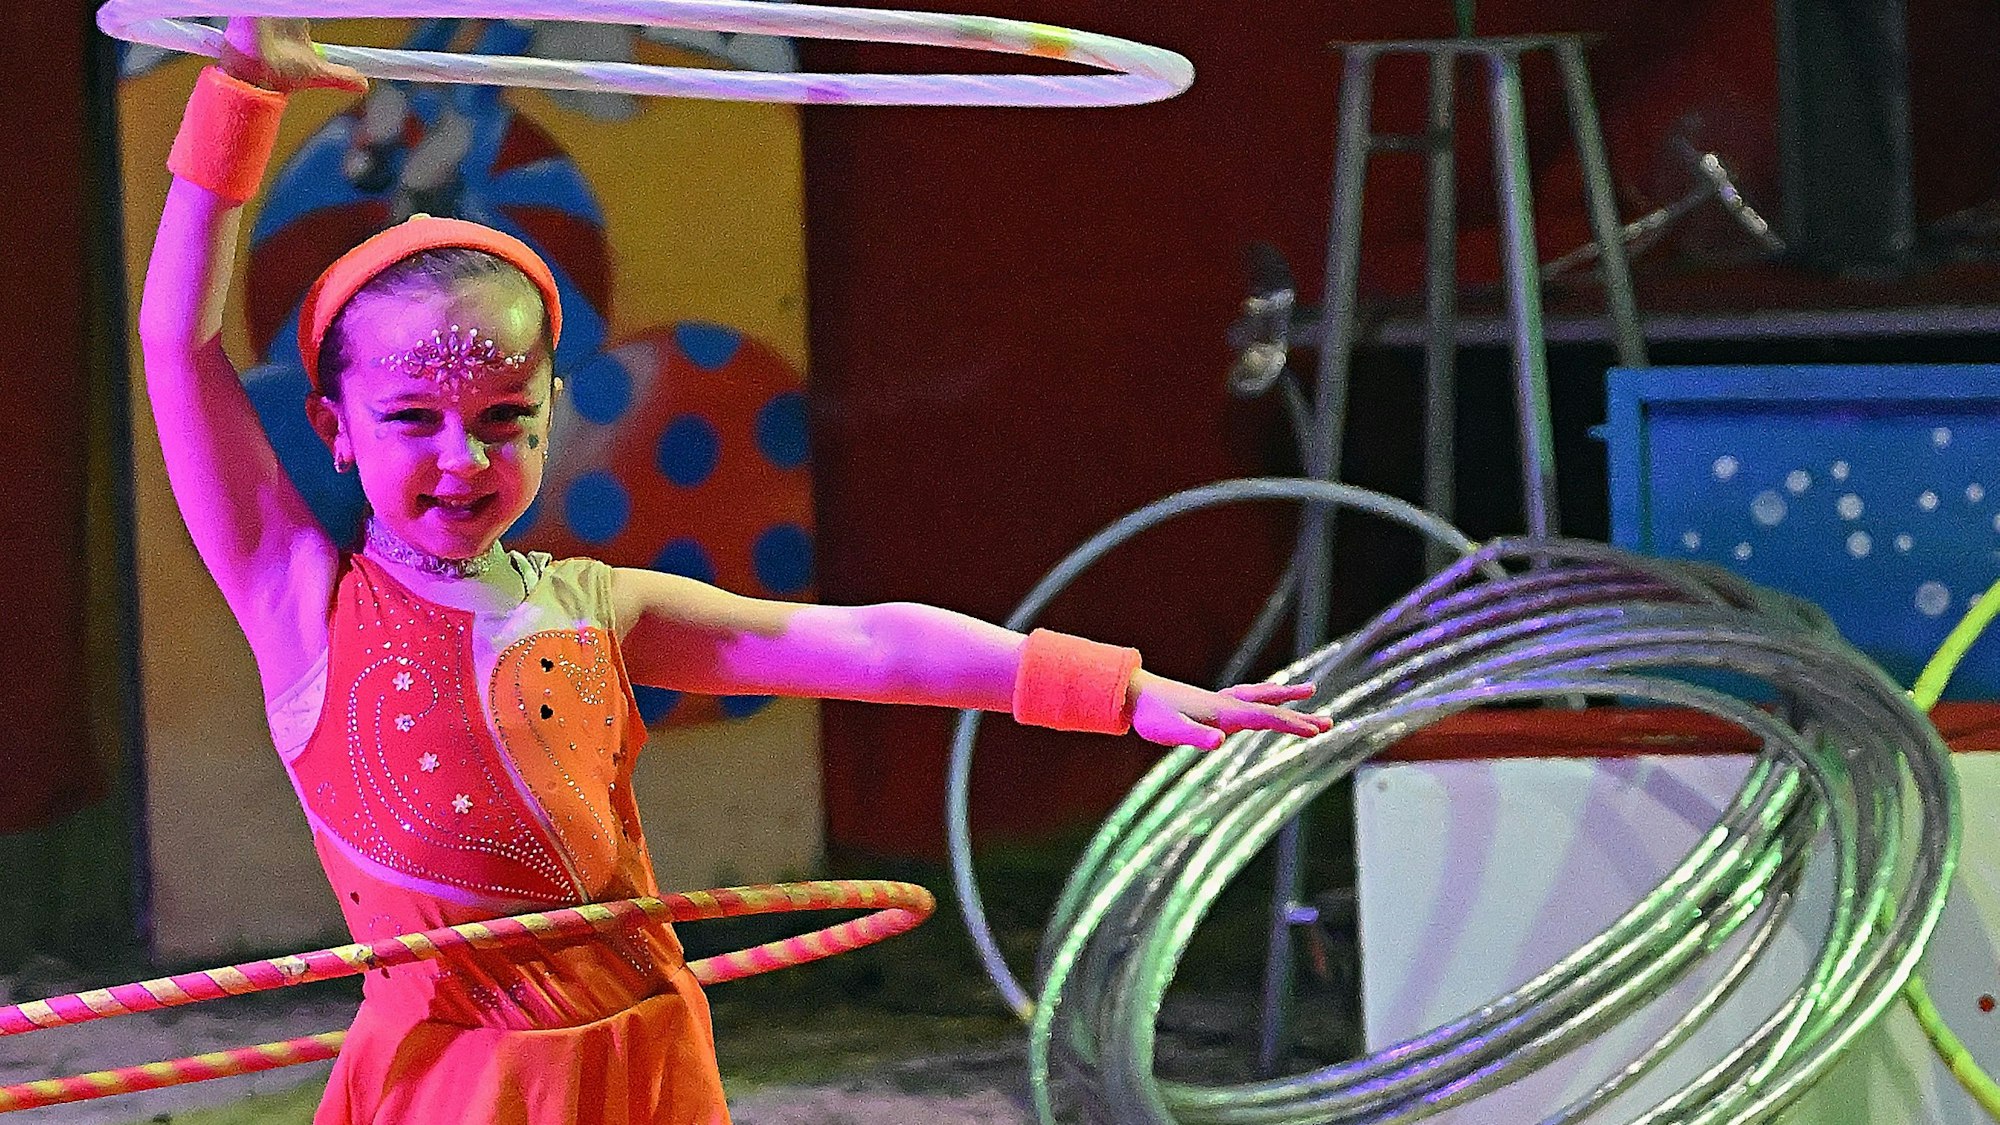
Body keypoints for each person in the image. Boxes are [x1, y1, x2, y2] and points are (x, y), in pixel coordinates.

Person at [139, 18, 1332, 1125]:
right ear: (334, 428)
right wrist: (244, 97)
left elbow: (867, 644)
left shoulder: (605, 611)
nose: (464, 458)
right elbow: (176, 343)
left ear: (554, 412)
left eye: (504, 418)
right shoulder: (303, 603)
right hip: (458, 1082)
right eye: (414, 420)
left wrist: (1117, 690)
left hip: (642, 1057)